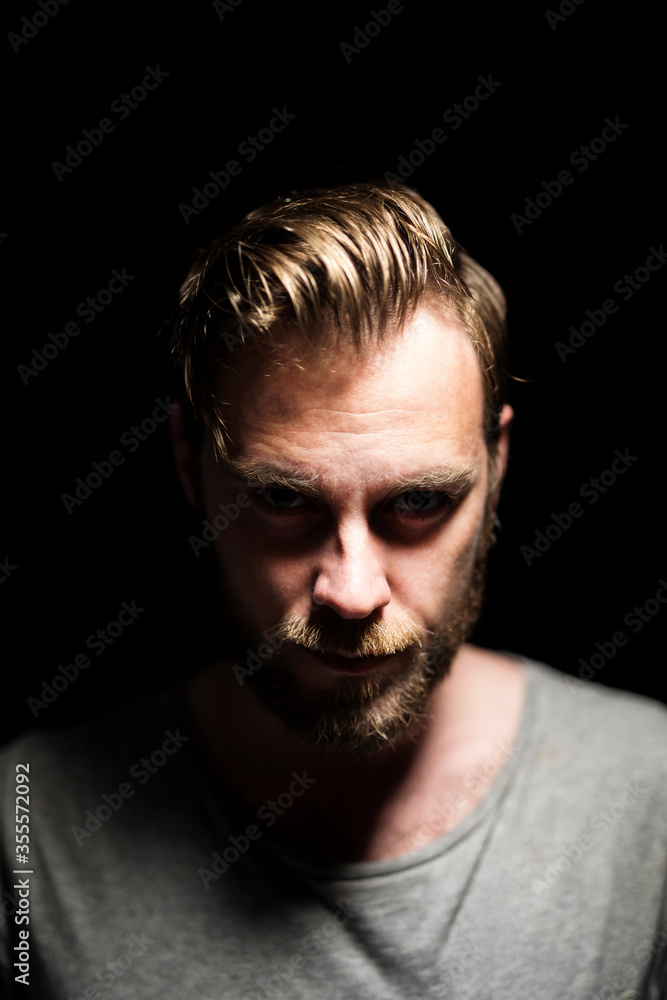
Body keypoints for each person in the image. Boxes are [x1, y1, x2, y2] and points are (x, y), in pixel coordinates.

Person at [1, 181, 665, 999]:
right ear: (188, 467)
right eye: (282, 500)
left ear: (495, 467)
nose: (351, 595)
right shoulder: (25, 822)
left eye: (417, 503)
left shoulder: (653, 792)